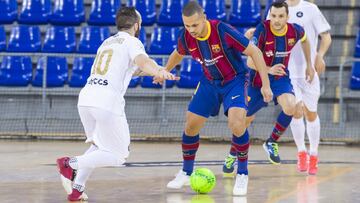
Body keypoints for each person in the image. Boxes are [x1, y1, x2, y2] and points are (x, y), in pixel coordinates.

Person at [56, 7, 178, 201]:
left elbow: (133, 70)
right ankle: (69, 163)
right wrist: (156, 71)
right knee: (118, 155)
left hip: (87, 99)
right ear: (137, 25)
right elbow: (143, 61)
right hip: (107, 102)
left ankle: (77, 188)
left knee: (98, 146)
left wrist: (159, 71)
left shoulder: (107, 42)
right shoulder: (133, 41)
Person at [154, 1, 273, 196]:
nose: (191, 29)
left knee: (236, 123)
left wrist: (266, 85)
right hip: (209, 82)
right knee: (191, 124)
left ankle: (242, 173)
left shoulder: (222, 30)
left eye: (195, 25)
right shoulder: (186, 37)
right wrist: (164, 71)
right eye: (187, 25)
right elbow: (178, 53)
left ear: (204, 19)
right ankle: (186, 171)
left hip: (235, 79)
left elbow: (256, 52)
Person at [222, 0, 315, 174]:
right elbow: (250, 60)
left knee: (291, 106)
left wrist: (309, 64)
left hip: (279, 78)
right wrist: (269, 69)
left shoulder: (295, 30)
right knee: (243, 121)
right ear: (269, 15)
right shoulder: (262, 30)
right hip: (256, 80)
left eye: (281, 16)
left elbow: (305, 40)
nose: (277, 20)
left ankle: (271, 142)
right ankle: (233, 154)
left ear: (287, 17)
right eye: (273, 16)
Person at [286, 0, 331, 175]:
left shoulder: (310, 9)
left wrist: (319, 56)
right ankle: (301, 152)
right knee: (295, 111)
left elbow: (326, 37)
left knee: (311, 113)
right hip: (288, 72)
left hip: (309, 70)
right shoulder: (278, 8)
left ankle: (314, 154)